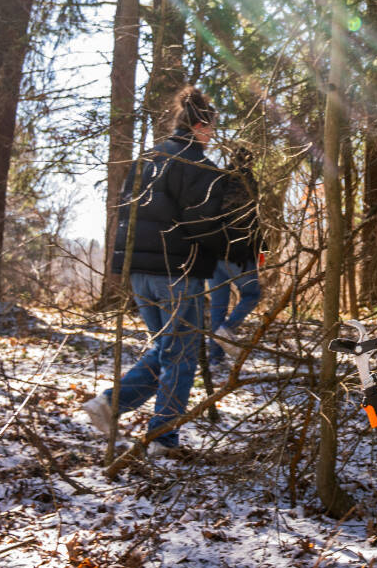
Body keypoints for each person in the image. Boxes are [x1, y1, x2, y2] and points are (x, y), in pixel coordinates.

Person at [82, 86, 245, 451]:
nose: (213, 135)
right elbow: (204, 225)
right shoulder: (197, 165)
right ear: (201, 125)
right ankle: (157, 434)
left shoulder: (148, 157)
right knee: (181, 356)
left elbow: (128, 214)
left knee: (167, 351)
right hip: (177, 272)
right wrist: (228, 242)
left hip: (139, 273)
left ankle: (114, 407)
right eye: (211, 128)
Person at [207, 145, 263, 371]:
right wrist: (260, 250)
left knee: (217, 307)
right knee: (252, 294)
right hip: (238, 253)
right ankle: (227, 332)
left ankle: (215, 359)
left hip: (213, 253)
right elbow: (252, 220)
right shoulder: (249, 182)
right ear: (250, 162)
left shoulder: (217, 180)